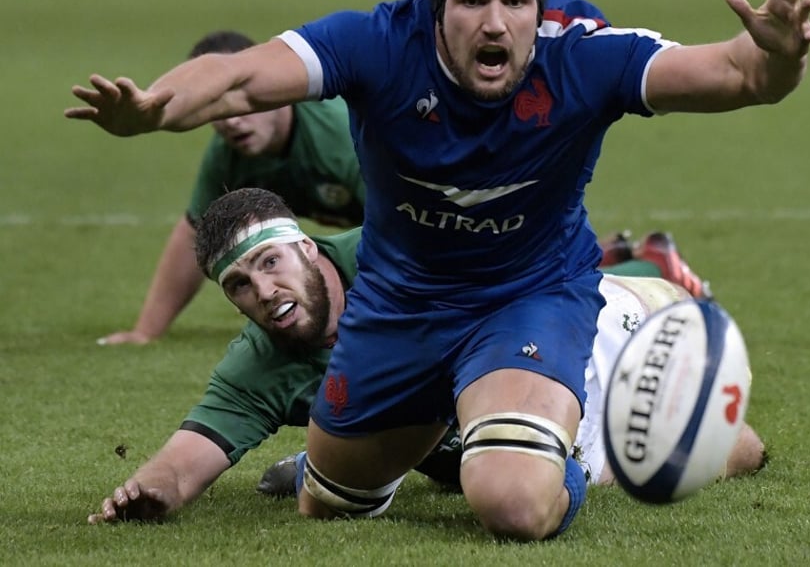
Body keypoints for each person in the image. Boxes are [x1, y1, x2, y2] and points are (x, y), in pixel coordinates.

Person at [67, 0, 810, 540]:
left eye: (515, 0)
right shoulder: (379, 45)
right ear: (437, 5)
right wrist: (153, 110)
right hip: (398, 308)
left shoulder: (582, 57)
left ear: (539, 7)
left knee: (512, 503)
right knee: (327, 504)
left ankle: (579, 452)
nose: (495, 21)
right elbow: (236, 75)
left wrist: (777, 60)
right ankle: (436, 442)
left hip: (527, 297)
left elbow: (737, 73)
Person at [87, 187, 763, 525]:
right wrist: (148, 492)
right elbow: (181, 464)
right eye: (240, 286)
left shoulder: (396, 248)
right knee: (471, 469)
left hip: (590, 343)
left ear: (307, 248)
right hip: (474, 419)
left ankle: (652, 265)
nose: (264, 292)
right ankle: (352, 465)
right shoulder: (261, 362)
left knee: (736, 450)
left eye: (270, 263)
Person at [97, 30, 365, 346]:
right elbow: (194, 233)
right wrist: (145, 332)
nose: (231, 122)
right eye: (216, 108)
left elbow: (402, 227)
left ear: (273, 91)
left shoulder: (342, 137)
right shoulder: (228, 155)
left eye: (240, 104)